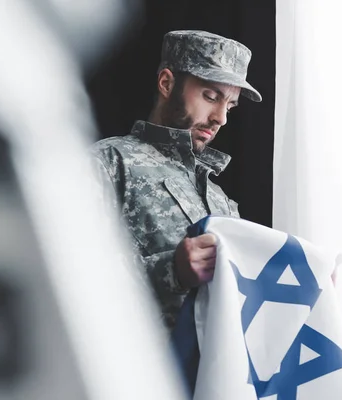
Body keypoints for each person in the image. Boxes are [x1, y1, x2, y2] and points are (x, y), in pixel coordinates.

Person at [91, 30, 262, 329]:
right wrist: (173, 271)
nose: (220, 117)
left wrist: (304, 282)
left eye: (230, 106)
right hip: (141, 371)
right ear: (167, 83)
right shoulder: (106, 163)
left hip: (214, 373)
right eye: (211, 96)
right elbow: (68, 274)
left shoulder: (223, 202)